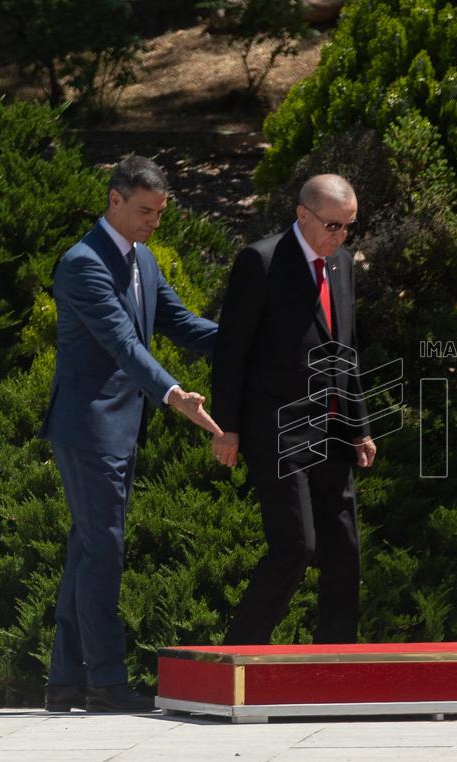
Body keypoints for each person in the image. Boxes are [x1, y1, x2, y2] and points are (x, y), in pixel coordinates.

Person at [39, 155, 223, 712]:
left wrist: (252, 337)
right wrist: (173, 395)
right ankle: (106, 684)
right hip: (89, 427)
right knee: (105, 550)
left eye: (160, 213)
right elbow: (124, 344)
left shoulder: (142, 259)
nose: (153, 222)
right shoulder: (83, 263)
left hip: (118, 429)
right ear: (114, 199)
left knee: (88, 552)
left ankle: (64, 682)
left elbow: (183, 324)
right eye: (145, 211)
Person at [211, 173, 376, 646]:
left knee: (344, 549)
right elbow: (231, 352)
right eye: (332, 225)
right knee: (295, 547)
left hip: (333, 431)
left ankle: (337, 660)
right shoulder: (260, 262)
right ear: (302, 214)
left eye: (349, 226)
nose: (341, 236)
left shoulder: (341, 263)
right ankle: (239, 650)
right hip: (278, 432)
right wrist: (228, 428)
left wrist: (360, 426)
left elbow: (347, 349)